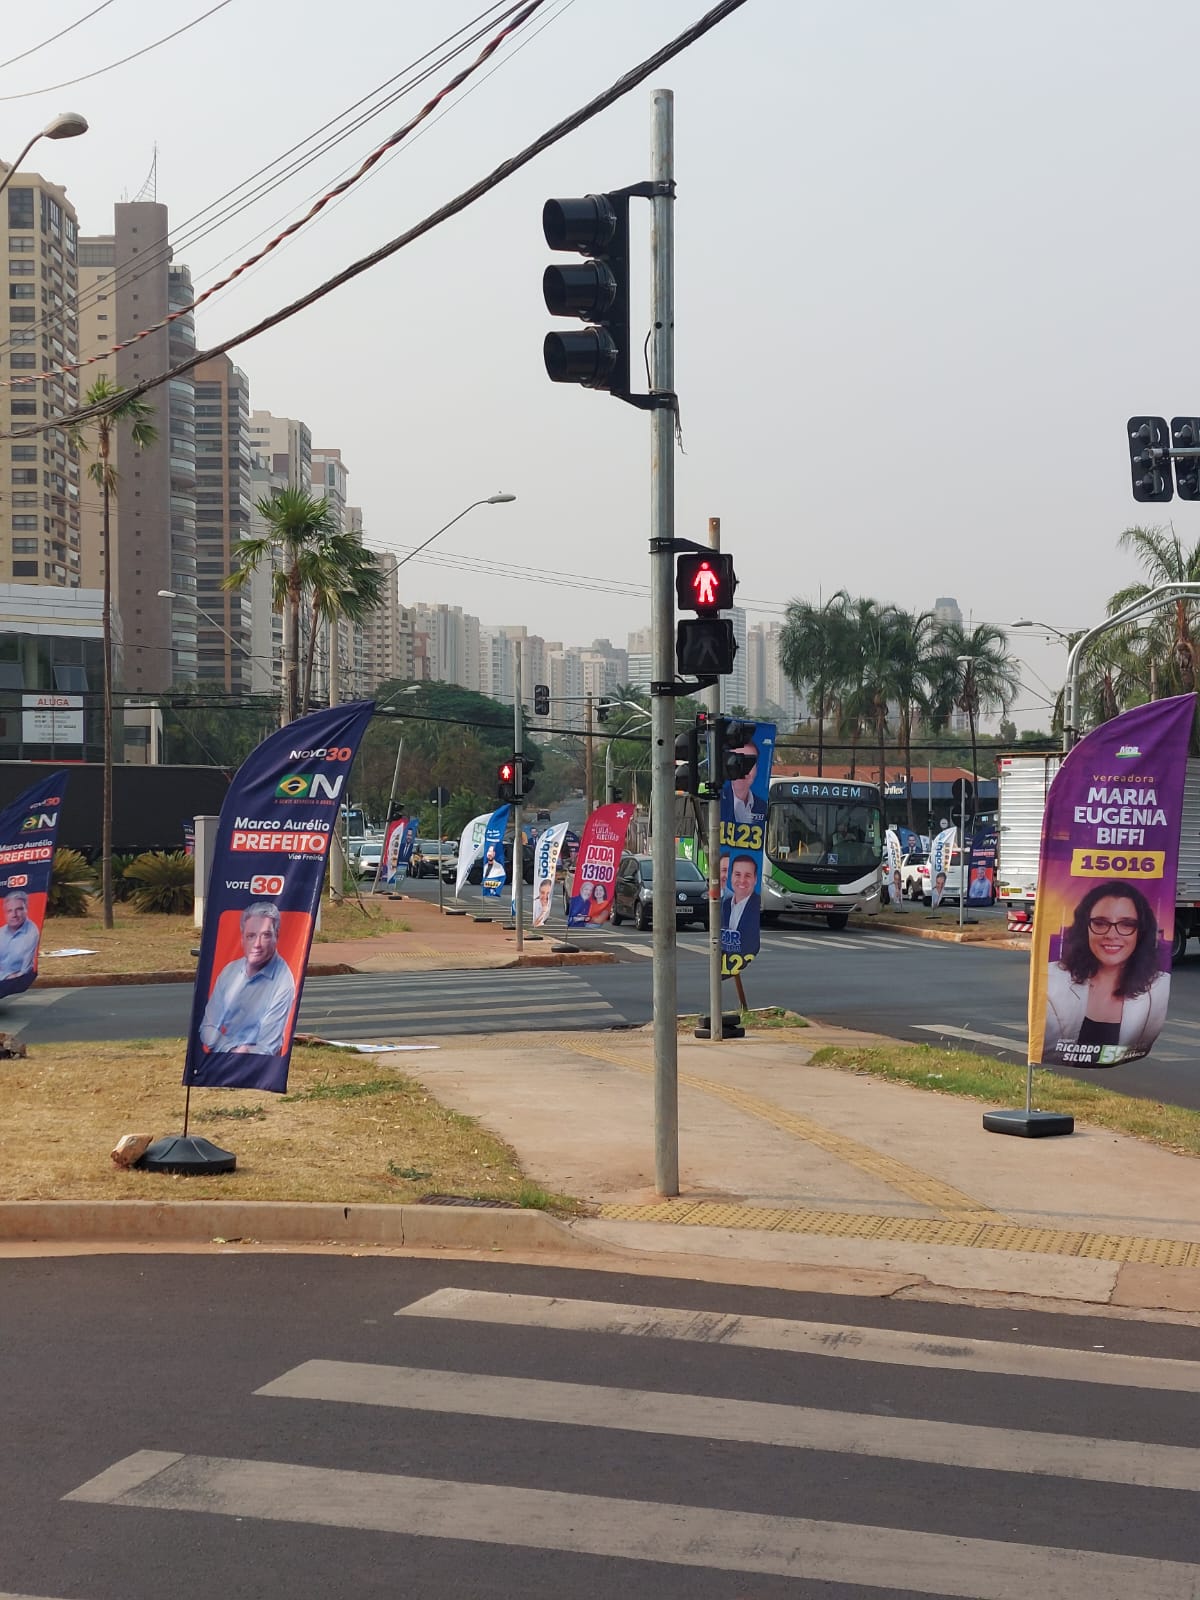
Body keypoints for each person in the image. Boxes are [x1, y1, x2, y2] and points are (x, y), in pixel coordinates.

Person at [1044, 881, 1168, 1064]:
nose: (1112, 934)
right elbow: (1048, 1051)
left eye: (1126, 924)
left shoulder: (1159, 987)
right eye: (1100, 923)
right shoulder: (1050, 980)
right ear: (1084, 928)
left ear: (1140, 933)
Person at [199, 901, 297, 1056]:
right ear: (242, 939)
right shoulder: (229, 971)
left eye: (265, 935)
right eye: (251, 936)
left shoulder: (284, 982)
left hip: (259, 1067)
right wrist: (231, 1049)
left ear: (276, 937)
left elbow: (267, 1048)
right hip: (224, 1057)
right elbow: (207, 1027)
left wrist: (237, 1052)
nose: (257, 944)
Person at [722, 853, 760, 950]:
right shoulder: (726, 904)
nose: (742, 880)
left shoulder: (757, 905)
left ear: (755, 879)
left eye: (747, 875)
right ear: (731, 877)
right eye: (737, 874)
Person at [0, 889, 39, 981]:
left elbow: (24, 972)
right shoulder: (1, 932)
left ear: (26, 910)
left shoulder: (31, 934)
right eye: (9, 911)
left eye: (19, 909)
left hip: (13, 983)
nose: (14, 915)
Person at [726, 741, 765, 826]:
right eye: (737, 763)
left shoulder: (764, 808)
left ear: (756, 769)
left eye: (749, 764)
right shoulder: (716, 804)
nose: (743, 771)